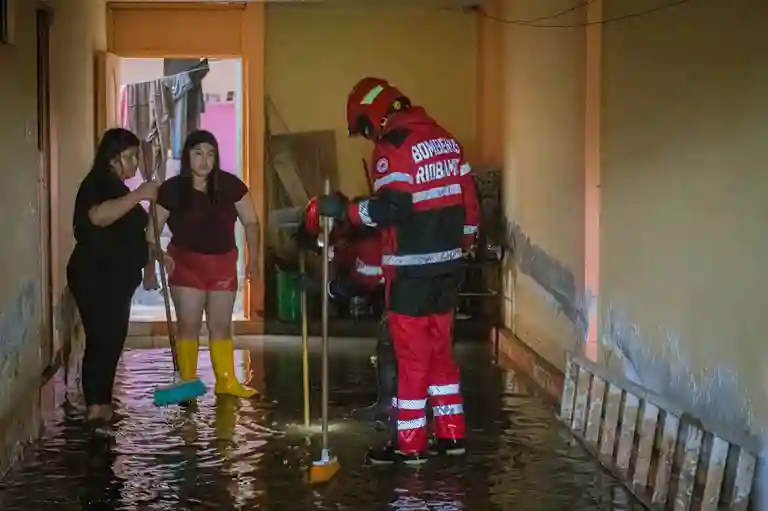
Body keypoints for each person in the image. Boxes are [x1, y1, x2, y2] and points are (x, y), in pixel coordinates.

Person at [317, 77, 481, 465]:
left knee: (412, 358)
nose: (369, 136)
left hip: (410, 275)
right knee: (441, 352)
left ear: (373, 116)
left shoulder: (393, 148)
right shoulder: (446, 139)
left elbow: (393, 208)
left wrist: (346, 210)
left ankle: (408, 445)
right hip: (447, 270)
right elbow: (470, 204)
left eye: (365, 128)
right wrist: (461, 246)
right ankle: (452, 435)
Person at [144, 129, 260, 399]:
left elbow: (252, 223)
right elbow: (151, 233)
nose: (204, 160)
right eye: (198, 153)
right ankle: (187, 380)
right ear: (187, 156)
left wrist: (253, 258)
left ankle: (227, 381)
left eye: (210, 154)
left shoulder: (231, 186)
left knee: (220, 325)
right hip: (185, 265)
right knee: (189, 324)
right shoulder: (172, 190)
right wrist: (151, 266)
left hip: (222, 264)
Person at [67, 127, 160, 423]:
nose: (134, 162)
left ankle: (102, 403)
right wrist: (139, 195)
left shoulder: (118, 187)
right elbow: (99, 217)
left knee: (112, 338)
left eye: (136, 155)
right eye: (129, 156)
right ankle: (96, 407)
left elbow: (138, 233)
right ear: (113, 157)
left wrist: (156, 260)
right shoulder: (98, 182)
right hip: (96, 274)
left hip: (117, 278)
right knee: (102, 338)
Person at [296, 197, 395, 428]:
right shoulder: (348, 234)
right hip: (391, 286)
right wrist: (306, 242)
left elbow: (359, 286)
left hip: (402, 287)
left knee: (391, 344)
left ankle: (392, 407)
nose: (327, 247)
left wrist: (321, 288)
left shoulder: (368, 243)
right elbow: (326, 247)